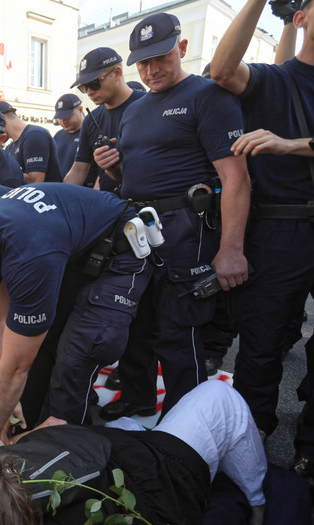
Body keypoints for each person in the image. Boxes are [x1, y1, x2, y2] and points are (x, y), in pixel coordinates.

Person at [95, 12, 251, 418]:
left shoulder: (208, 96)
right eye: (143, 62)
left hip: (187, 228)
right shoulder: (134, 108)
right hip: (137, 229)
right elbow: (135, 176)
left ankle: (188, 427)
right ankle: (139, 400)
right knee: (135, 323)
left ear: (181, 49)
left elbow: (235, 178)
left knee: (180, 333)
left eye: (160, 57)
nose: (151, 69)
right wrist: (113, 168)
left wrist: (232, 249)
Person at [0, 183, 152, 440]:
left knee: (77, 354)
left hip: (119, 250)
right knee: (37, 349)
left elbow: (16, 368)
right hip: (77, 249)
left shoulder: (28, 253)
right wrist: (8, 398)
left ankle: (59, 452)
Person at [209, 0, 314, 455]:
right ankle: (251, 446)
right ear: (302, 17)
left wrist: (292, 145)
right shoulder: (278, 80)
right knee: (263, 343)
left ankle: (308, 450)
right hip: (279, 232)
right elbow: (221, 70)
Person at [63, 47, 145, 192]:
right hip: (108, 205)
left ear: (117, 73)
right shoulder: (91, 120)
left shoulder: (148, 105)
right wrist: (58, 197)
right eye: (83, 87)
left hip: (145, 202)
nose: (89, 92)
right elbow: (78, 170)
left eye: (94, 83)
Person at [0, 100, 63, 184]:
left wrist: (1, 168)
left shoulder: (35, 135)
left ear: (1, 120)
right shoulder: (10, 147)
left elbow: (36, 181)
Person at [52, 93, 84, 176]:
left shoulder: (90, 133)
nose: (63, 121)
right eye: (60, 118)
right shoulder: (58, 135)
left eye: (67, 117)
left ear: (80, 110)